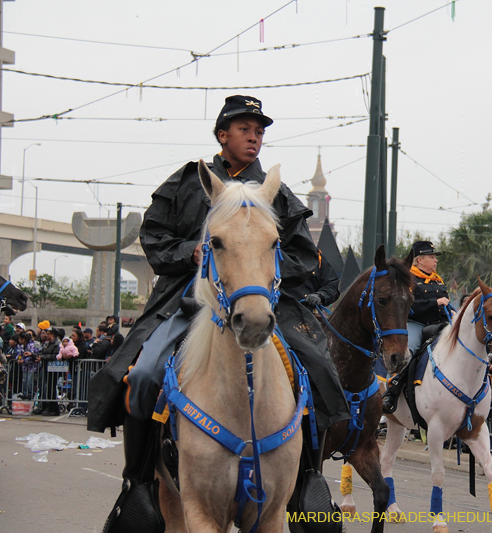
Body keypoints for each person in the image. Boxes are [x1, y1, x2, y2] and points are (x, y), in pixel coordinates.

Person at [88, 95, 349, 532]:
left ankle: (307, 479)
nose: (254, 137)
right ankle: (138, 484)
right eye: (245, 129)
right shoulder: (187, 182)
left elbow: (305, 254)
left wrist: (265, 265)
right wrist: (189, 252)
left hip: (261, 300)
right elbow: (153, 237)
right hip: (190, 299)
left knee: (317, 366)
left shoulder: (275, 193)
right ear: (222, 135)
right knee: (146, 371)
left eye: (260, 130)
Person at [407, 240, 451, 355]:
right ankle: (396, 373)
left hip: (440, 325)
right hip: (417, 324)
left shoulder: (438, 281)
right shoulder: (408, 280)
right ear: (420, 260)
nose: (436, 260)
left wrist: (452, 313)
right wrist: (435, 302)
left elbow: (445, 303)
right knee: (409, 348)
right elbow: (409, 307)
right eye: (431, 257)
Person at [34, 327, 61, 416]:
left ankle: (54, 408)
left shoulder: (57, 344)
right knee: (47, 389)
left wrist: (43, 357)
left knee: (51, 389)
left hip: (53, 369)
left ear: (52, 335)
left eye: (48, 333)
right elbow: (43, 353)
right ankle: (46, 407)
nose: (47, 335)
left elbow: (55, 356)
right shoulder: (47, 343)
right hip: (46, 368)